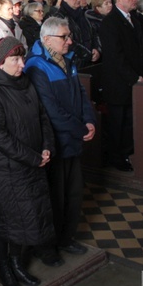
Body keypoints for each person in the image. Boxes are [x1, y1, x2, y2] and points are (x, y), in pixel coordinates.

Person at [0, 36, 55, 286]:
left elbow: (42, 116)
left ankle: (17, 263)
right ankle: (5, 269)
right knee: (6, 222)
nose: (22, 64)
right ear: (1, 63)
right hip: (5, 170)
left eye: (21, 58)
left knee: (27, 218)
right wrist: (34, 157)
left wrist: (46, 147)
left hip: (31, 164)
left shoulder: (25, 83)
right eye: (15, 60)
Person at [25, 18, 96, 265]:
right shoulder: (36, 66)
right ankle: (49, 245)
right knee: (54, 197)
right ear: (46, 40)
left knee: (73, 193)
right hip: (55, 142)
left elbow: (81, 94)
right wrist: (79, 128)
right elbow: (50, 109)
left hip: (73, 138)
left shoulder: (67, 60)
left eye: (68, 36)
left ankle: (67, 237)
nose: (70, 40)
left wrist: (89, 120)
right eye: (64, 37)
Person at [100, 0, 143, 172]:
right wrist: (134, 77)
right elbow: (115, 57)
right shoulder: (110, 23)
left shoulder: (134, 19)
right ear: (119, 0)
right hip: (119, 83)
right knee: (119, 123)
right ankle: (117, 157)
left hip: (137, 80)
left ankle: (129, 153)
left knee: (130, 121)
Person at [54, 0, 98, 68]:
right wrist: (85, 53)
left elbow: (93, 33)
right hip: (72, 62)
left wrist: (96, 49)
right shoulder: (60, 18)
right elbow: (66, 41)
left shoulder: (83, 15)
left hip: (89, 61)